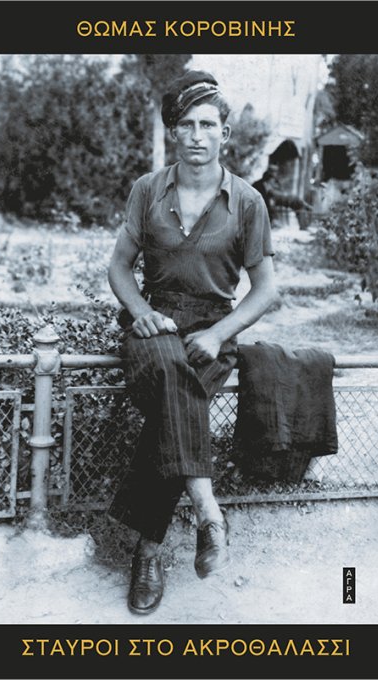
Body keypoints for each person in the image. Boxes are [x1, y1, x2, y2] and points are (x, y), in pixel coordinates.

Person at [107, 70, 277, 615]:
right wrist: (141, 313)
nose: (197, 135)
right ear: (174, 132)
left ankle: (148, 553)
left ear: (225, 133)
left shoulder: (247, 201)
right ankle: (208, 511)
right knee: (170, 375)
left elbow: (266, 289)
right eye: (187, 125)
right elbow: (119, 266)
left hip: (211, 332)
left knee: (171, 410)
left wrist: (220, 333)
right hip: (154, 324)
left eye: (208, 125)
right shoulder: (147, 190)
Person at [252, 164, 312, 228]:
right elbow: (266, 199)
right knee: (295, 201)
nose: (275, 174)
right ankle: (304, 214)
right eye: (273, 172)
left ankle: (304, 218)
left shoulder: (273, 182)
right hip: (267, 201)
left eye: (275, 172)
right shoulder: (259, 184)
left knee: (296, 201)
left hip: (273, 199)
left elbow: (279, 193)